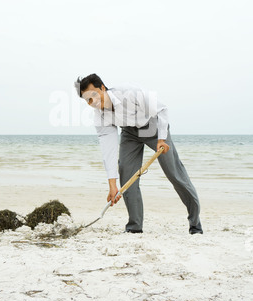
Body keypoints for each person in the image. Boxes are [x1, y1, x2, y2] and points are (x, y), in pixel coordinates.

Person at [75, 73, 203, 235]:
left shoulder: (130, 92)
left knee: (175, 174)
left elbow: (162, 109)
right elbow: (109, 150)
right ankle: (134, 227)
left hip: (153, 128)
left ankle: (195, 222)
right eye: (88, 100)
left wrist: (162, 138)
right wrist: (112, 185)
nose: (92, 102)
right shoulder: (100, 116)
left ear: (102, 88)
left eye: (93, 95)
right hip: (129, 133)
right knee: (126, 174)